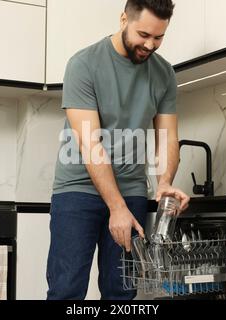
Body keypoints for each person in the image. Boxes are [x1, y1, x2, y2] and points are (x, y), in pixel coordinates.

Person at [47, 0, 190, 300]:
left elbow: (167, 138)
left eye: (159, 37)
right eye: (143, 34)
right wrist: (116, 207)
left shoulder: (164, 75)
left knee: (120, 291)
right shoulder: (84, 64)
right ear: (124, 18)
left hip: (131, 191)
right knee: (67, 289)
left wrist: (164, 182)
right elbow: (90, 144)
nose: (150, 44)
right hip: (78, 190)